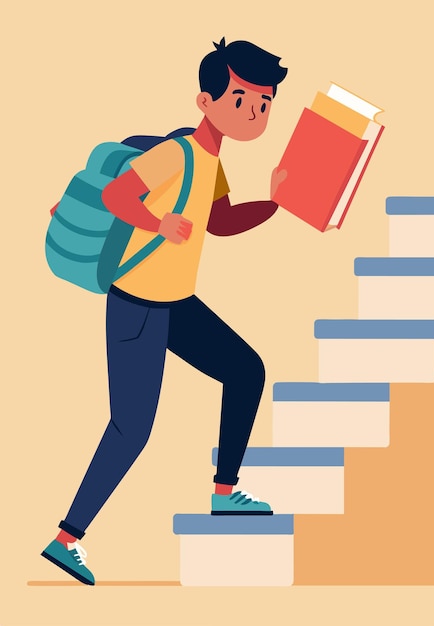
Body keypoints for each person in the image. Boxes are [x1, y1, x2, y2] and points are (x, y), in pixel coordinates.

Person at [41, 37, 288, 585]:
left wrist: (273, 202)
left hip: (176, 303)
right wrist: (158, 226)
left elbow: (219, 222)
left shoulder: (212, 164)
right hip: (137, 306)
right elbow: (117, 197)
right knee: (132, 429)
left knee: (246, 370)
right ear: (207, 101)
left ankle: (225, 493)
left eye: (265, 103)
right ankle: (66, 538)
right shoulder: (177, 154)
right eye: (244, 99)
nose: (255, 113)